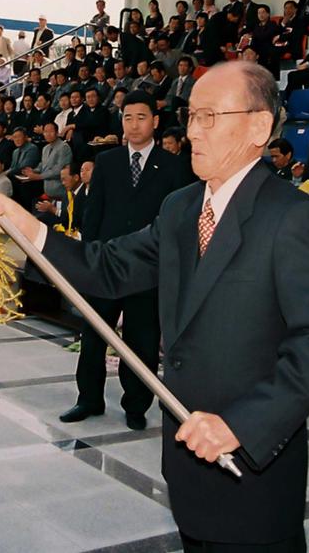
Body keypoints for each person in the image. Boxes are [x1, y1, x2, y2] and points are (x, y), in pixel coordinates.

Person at [0, 61, 309, 550]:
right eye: (191, 116)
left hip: (251, 465)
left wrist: (242, 425)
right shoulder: (181, 207)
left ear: (259, 125)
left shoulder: (293, 217)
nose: (194, 131)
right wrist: (25, 225)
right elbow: (106, 266)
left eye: (210, 117)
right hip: (188, 459)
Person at [61, 90, 193, 431]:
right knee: (94, 335)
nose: (134, 125)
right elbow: (94, 213)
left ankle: (135, 404)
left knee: (142, 340)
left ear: (156, 121)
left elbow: (179, 223)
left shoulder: (175, 167)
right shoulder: (107, 161)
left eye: (141, 117)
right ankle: (88, 399)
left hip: (148, 269)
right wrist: (88, 259)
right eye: (128, 118)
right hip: (107, 264)